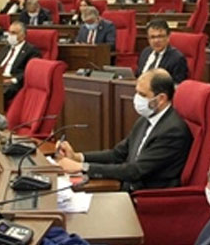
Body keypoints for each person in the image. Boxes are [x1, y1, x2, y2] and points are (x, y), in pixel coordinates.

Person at [55, 69, 193, 191]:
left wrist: (82, 167)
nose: (137, 99)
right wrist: (77, 157)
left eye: (142, 94)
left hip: (147, 198)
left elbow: (136, 170)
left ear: (161, 99)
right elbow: (117, 155)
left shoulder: (173, 131)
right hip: (126, 187)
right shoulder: (145, 120)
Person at [0, 21, 41, 105]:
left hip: (14, 81)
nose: (10, 35)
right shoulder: (6, 48)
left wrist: (12, 80)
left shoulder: (31, 50)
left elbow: (30, 71)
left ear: (23, 35)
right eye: (9, 32)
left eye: (13, 33)